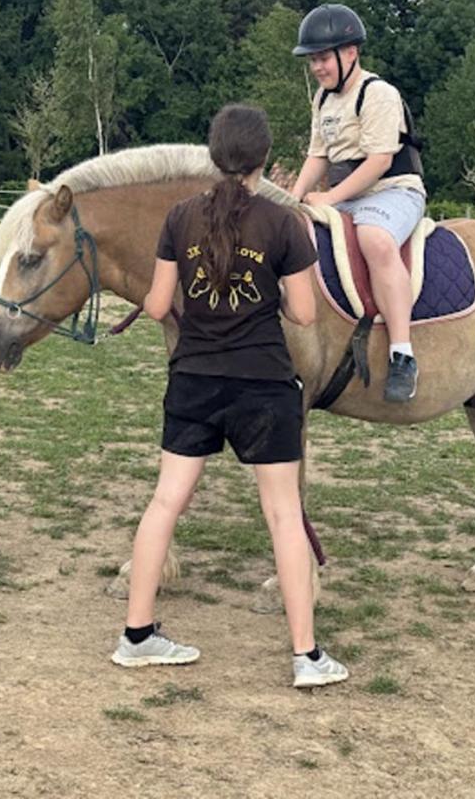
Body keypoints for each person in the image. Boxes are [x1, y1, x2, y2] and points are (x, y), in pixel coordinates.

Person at [110, 103, 349, 688]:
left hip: (193, 379)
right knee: (282, 513)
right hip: (263, 384)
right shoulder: (283, 223)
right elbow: (303, 311)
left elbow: (160, 306)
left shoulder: (179, 218)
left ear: (213, 156)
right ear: (264, 160)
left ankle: (137, 636)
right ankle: (306, 656)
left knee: (165, 503)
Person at [289, 3, 427, 403]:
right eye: (312, 60)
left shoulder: (378, 93)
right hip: (347, 197)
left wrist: (329, 197)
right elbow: (318, 156)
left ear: (350, 53)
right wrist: (293, 199)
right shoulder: (322, 100)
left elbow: (380, 161)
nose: (317, 67)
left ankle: (403, 354)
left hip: (393, 190)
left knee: (375, 239)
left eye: (322, 58)